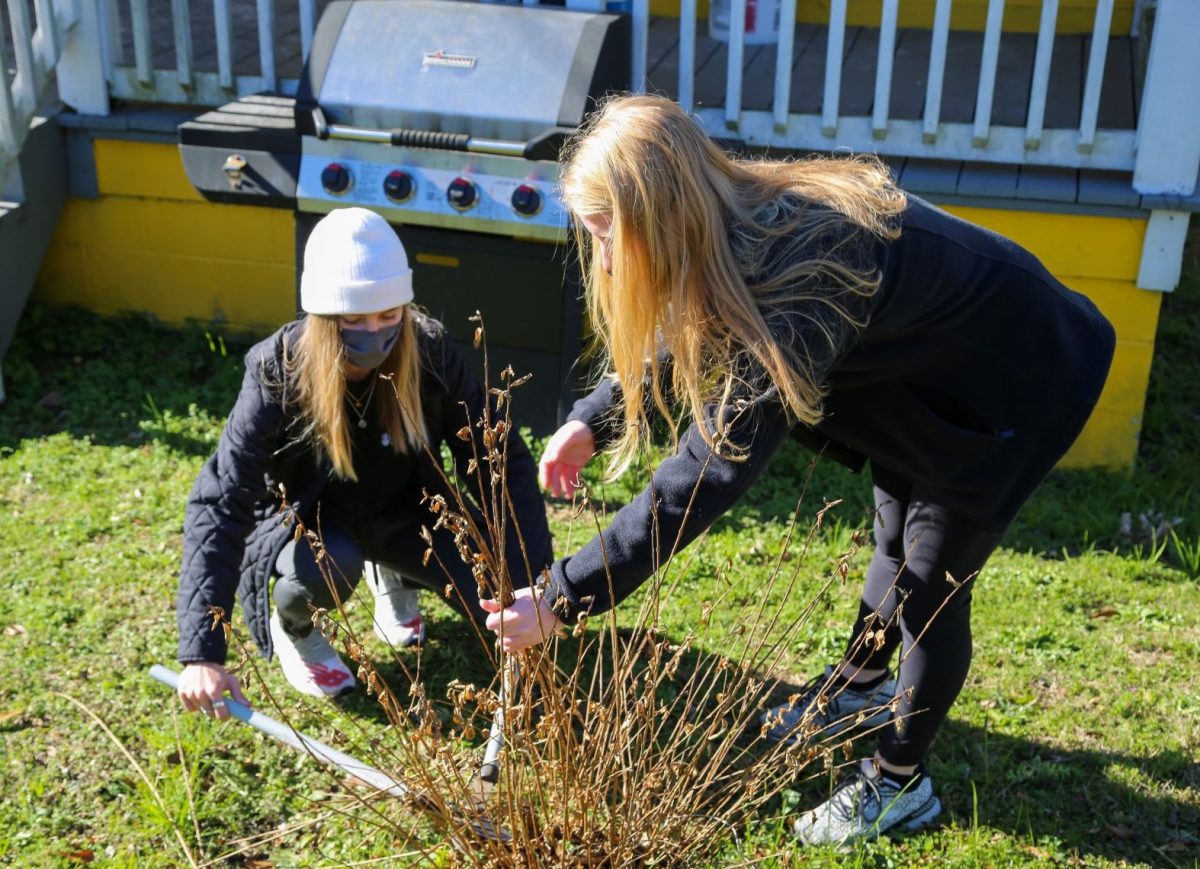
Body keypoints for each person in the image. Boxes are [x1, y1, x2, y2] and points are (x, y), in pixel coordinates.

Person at [479, 95, 1115, 846]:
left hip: (1018, 377)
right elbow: (695, 318)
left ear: (661, 211)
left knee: (929, 589)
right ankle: (858, 690)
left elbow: (708, 470)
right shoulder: (728, 216)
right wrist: (596, 415)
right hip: (929, 373)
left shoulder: (808, 270)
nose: (608, 260)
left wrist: (562, 595)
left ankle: (899, 781)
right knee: (892, 539)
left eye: (607, 236)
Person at [175, 207, 552, 715]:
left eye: (388, 315)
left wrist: (533, 587)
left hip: (408, 513)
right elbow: (222, 497)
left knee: (496, 594)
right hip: (314, 524)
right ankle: (297, 626)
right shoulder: (278, 368)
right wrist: (201, 651)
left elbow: (496, 461)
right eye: (353, 319)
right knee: (330, 566)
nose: (374, 332)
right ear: (323, 316)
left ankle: (393, 575)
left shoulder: (431, 350)